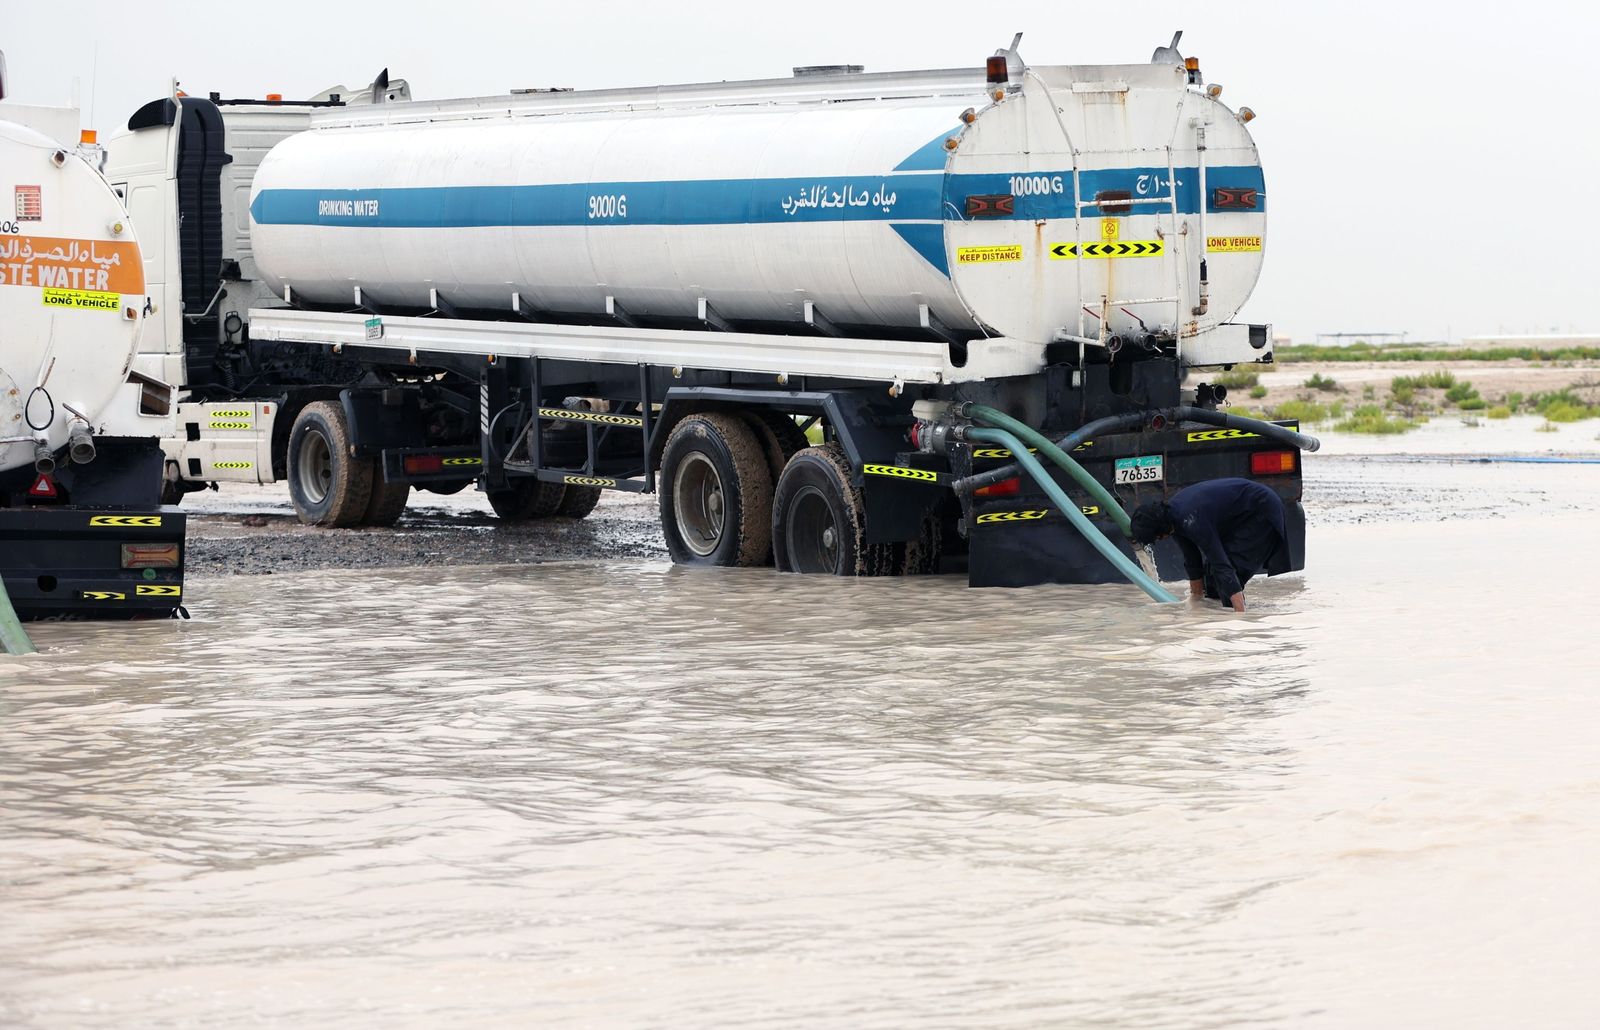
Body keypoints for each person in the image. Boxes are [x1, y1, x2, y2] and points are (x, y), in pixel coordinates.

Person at [1129, 478, 1290, 612]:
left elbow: (1222, 565)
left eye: (1157, 537)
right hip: (1239, 518)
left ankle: (1240, 619)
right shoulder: (1173, 519)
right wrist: (1195, 603)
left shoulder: (1192, 520)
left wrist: (1241, 621)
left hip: (1261, 510)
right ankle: (1224, 616)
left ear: (1161, 531)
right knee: (1211, 583)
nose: (1161, 540)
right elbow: (1192, 561)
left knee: (1225, 574)